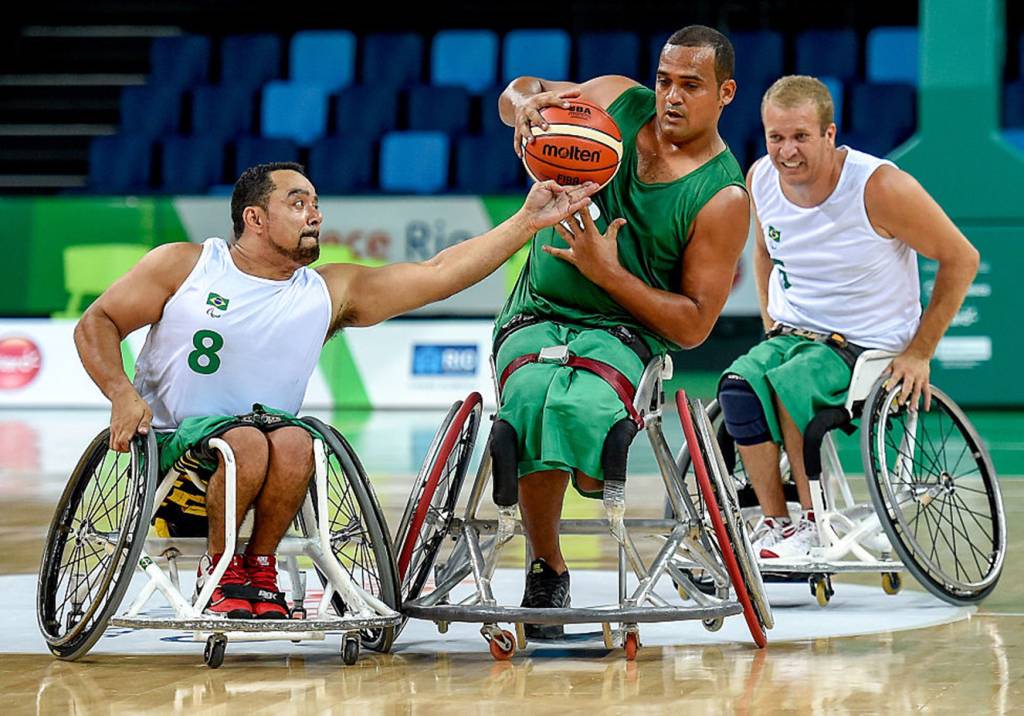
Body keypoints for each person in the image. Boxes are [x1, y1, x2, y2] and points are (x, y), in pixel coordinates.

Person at [73, 162, 597, 619]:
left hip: (268, 455)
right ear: (254, 218)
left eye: (316, 203)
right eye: (297, 202)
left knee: (299, 440)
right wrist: (120, 392)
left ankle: (257, 568)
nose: (314, 214)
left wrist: (526, 222)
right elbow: (97, 322)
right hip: (173, 453)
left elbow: (437, 272)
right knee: (250, 442)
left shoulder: (325, 292)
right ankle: (221, 567)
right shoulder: (187, 265)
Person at [495, 25, 750, 637]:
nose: (671, 96)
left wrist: (607, 273)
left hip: (625, 331)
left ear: (726, 93)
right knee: (530, 395)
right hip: (536, 309)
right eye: (665, 80)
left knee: (576, 400)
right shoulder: (613, 96)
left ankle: (581, 465)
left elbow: (693, 326)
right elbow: (518, 91)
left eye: (691, 85)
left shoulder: (723, 197)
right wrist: (525, 104)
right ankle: (546, 566)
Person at [717, 75, 980, 560]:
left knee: (787, 382)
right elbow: (763, 250)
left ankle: (816, 525)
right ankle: (779, 524)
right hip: (794, 334)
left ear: (829, 134)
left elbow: (961, 258)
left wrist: (920, 352)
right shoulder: (759, 179)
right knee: (738, 385)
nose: (787, 151)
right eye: (776, 137)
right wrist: (770, 322)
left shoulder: (880, 187)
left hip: (867, 346)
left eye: (800, 137)